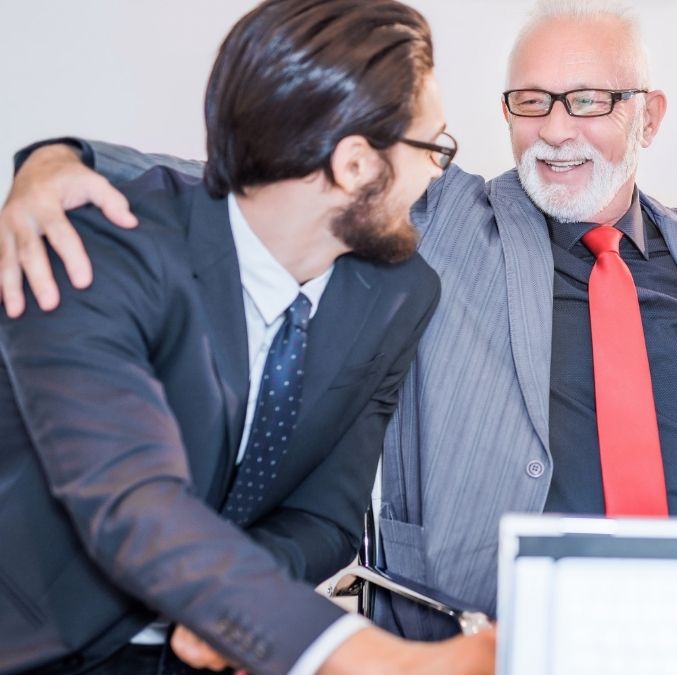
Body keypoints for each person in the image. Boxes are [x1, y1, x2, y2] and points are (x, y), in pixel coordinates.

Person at [0, 0, 677, 644]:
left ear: (648, 115)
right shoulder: (438, 219)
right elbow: (274, 171)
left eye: (589, 101)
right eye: (530, 101)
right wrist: (63, 162)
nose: (555, 131)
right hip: (500, 630)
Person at [0, 0, 495, 673]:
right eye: (433, 146)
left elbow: (327, 518)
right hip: (34, 642)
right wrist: (371, 657)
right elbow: (132, 500)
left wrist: (233, 605)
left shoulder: (400, 293)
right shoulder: (95, 251)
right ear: (354, 165)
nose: (438, 171)